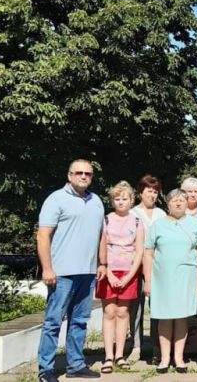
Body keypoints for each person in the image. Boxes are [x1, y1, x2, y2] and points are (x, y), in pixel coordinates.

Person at [36, 159, 105, 382]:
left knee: (80, 321)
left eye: (88, 174)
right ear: (69, 175)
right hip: (62, 272)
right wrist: (47, 268)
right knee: (53, 322)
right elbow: (43, 235)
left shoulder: (96, 201)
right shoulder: (56, 199)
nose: (84, 176)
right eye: (79, 173)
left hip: (87, 272)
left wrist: (102, 263)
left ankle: (76, 364)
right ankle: (46, 369)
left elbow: (101, 236)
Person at [144, 189, 197, 374]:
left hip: (186, 278)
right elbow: (148, 253)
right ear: (168, 204)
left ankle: (179, 358)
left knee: (181, 317)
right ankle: (164, 358)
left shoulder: (195, 224)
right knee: (164, 317)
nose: (178, 203)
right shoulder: (157, 225)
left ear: (187, 203)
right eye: (174, 201)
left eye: (181, 200)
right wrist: (148, 279)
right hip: (162, 279)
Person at [96, 181, 144, 373]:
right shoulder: (106, 220)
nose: (121, 202)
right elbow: (101, 246)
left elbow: (139, 251)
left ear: (131, 200)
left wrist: (129, 276)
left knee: (123, 313)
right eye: (117, 199)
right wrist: (107, 271)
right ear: (112, 201)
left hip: (129, 273)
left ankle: (120, 355)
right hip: (108, 271)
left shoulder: (137, 221)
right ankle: (108, 356)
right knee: (109, 313)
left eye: (125, 198)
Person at [129, 175, 165, 364]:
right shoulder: (132, 213)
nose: (152, 194)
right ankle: (136, 345)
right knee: (136, 307)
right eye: (149, 190)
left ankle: (157, 346)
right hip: (137, 265)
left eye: (155, 191)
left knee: (157, 307)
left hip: (158, 266)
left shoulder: (161, 214)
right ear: (140, 192)